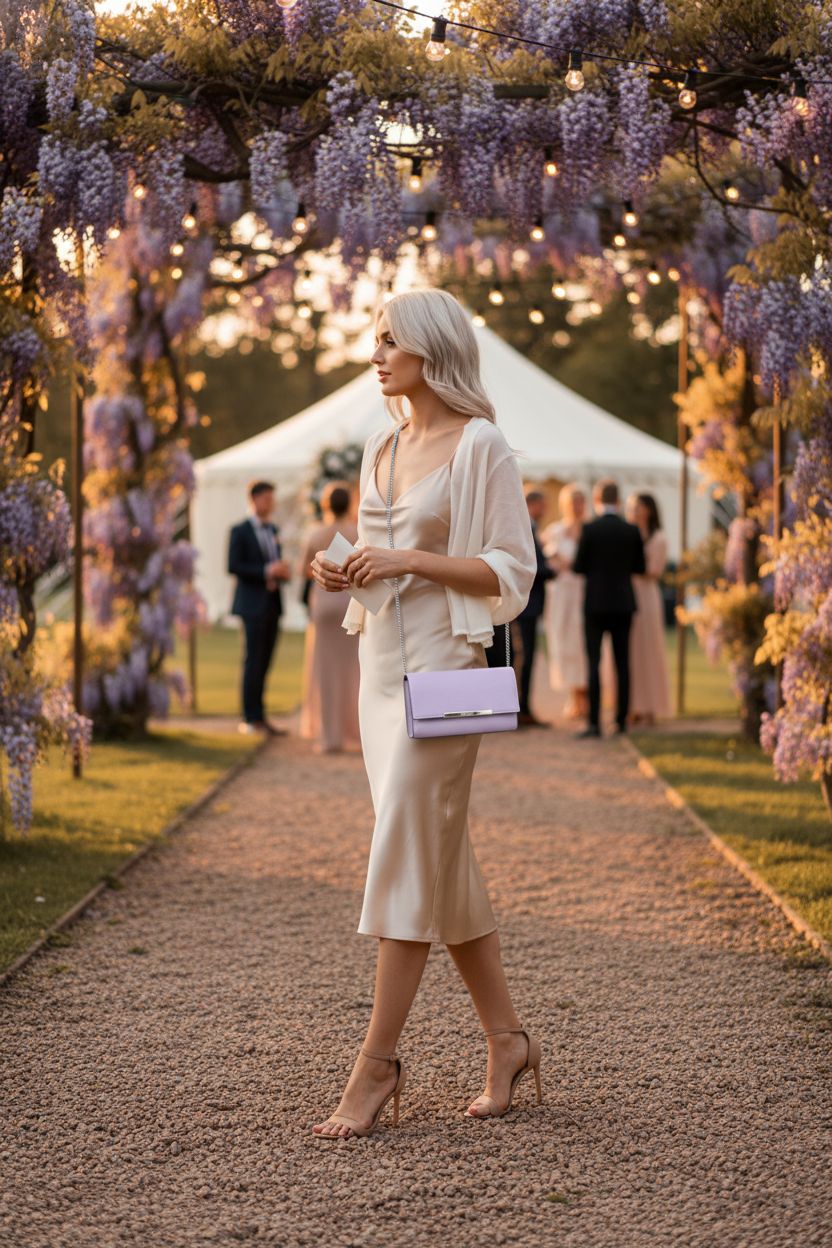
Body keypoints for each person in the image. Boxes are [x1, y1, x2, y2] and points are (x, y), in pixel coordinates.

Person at [308, 288, 540, 1139]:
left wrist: (409, 559)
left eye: (388, 342)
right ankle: (508, 1041)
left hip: (449, 676)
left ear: (430, 351)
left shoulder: (482, 446)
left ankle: (376, 1065)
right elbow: (377, 563)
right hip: (377, 671)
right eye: (375, 341)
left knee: (404, 853)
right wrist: (341, 568)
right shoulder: (382, 443)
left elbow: (511, 569)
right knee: (439, 860)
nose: (376, 356)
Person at [572, 478, 645, 738]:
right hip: (623, 603)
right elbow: (640, 567)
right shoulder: (631, 530)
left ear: (597, 499)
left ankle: (594, 723)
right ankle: (621, 721)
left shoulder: (590, 529)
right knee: (622, 663)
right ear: (618, 499)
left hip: (595, 604)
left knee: (593, 663)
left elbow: (578, 567)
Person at [299, 482, 361, 753]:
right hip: (350, 602)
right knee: (355, 669)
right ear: (349, 504)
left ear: (325, 505)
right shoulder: (357, 532)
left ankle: (329, 735)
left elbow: (304, 570)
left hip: (324, 604)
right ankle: (356, 731)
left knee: (325, 671)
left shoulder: (316, 534)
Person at [227, 480, 291, 736]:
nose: (271, 503)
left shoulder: (273, 529)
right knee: (252, 661)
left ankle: (260, 715)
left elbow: (273, 561)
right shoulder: (239, 530)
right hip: (251, 605)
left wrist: (280, 572)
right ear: (253, 499)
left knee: (265, 661)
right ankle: (249, 717)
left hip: (272, 604)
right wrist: (266, 571)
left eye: (272, 499)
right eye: (267, 498)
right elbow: (233, 565)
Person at [541, 483, 589, 721]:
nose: (576, 507)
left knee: (583, 643)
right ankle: (572, 694)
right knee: (563, 643)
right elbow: (547, 558)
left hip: (583, 592)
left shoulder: (590, 530)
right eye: (572, 502)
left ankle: (585, 694)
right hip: (561, 594)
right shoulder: (555, 531)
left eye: (580, 502)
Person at [626, 492, 672, 726]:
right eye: (632, 507)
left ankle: (650, 707)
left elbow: (653, 570)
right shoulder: (627, 534)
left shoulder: (657, 538)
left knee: (648, 650)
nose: (634, 511)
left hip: (646, 597)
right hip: (628, 593)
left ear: (648, 510)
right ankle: (633, 705)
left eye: (638, 507)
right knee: (631, 652)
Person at [515, 489, 555, 727]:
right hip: (526, 606)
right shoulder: (526, 528)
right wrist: (551, 570)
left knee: (527, 658)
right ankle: (521, 709)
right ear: (531, 505)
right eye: (542, 505)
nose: (545, 510)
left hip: (529, 605)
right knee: (525, 658)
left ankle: (524, 707)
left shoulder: (531, 528)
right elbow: (528, 567)